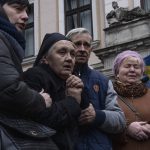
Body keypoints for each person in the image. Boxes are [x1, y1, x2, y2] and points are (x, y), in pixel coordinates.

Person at [0, 0, 59, 149]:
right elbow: (9, 89)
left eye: (27, 11)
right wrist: (40, 100)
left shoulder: (9, 42)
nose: (26, 16)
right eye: (18, 9)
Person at [66, 27, 126, 150]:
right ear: (68, 47)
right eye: (77, 44)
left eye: (86, 45)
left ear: (91, 49)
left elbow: (120, 121)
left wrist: (97, 116)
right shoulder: (57, 77)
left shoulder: (103, 80)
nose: (82, 49)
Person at [23, 32, 83, 150]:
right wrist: (73, 101)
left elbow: (85, 119)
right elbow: (40, 120)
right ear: (45, 58)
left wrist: (80, 92)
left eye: (72, 54)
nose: (69, 59)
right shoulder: (34, 76)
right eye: (62, 52)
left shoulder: (72, 80)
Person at [112, 50, 150, 150]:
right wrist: (126, 130)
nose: (132, 70)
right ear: (117, 72)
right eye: (127, 66)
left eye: (136, 67)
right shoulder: (108, 95)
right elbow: (101, 128)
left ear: (141, 72)